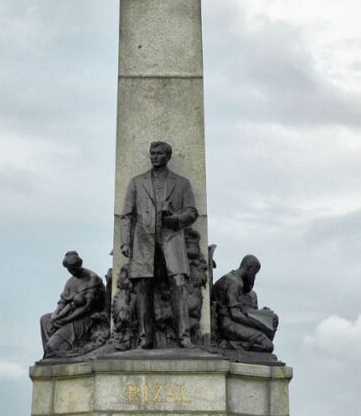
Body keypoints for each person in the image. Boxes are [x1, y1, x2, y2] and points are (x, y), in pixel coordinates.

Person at [120, 141, 198, 349]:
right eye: (152, 153)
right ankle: (146, 337)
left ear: (168, 156)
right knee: (143, 287)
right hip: (144, 242)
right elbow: (126, 215)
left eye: (159, 153)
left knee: (179, 284)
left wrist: (175, 219)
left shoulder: (182, 183)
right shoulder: (137, 182)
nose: (154, 156)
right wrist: (125, 243)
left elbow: (192, 212)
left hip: (171, 240)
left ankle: (184, 336)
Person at [40, 251, 107, 358]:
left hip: (86, 318)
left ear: (79, 265)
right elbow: (62, 302)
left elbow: (86, 307)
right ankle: (51, 351)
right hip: (69, 314)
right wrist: (55, 316)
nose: (71, 271)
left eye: (73, 268)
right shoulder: (71, 281)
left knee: (53, 344)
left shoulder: (92, 278)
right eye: (69, 269)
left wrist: (66, 319)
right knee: (45, 319)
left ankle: (55, 350)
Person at [212, 255, 278, 352]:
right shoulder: (234, 282)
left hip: (231, 323)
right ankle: (228, 345)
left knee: (272, 318)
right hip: (228, 326)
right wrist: (260, 324)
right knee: (267, 345)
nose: (254, 277)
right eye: (254, 274)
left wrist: (261, 314)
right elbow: (235, 314)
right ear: (248, 268)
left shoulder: (233, 279)